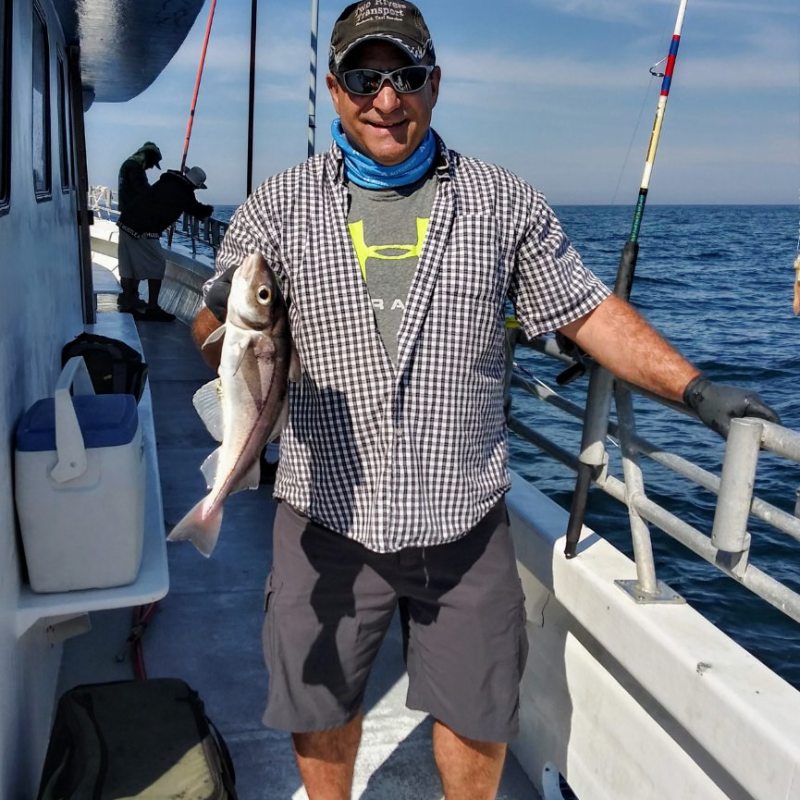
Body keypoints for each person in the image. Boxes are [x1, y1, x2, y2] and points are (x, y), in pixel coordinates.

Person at [194, 2, 780, 797]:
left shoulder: (502, 201)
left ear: (434, 84)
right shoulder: (277, 205)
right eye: (363, 79)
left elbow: (586, 310)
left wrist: (697, 389)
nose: (385, 99)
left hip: (462, 520)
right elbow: (212, 332)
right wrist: (223, 312)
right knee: (319, 704)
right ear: (334, 89)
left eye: (405, 77)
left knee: (478, 719)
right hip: (324, 512)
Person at [117, 166, 214, 321]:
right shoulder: (184, 192)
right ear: (196, 185)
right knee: (158, 264)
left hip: (126, 222)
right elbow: (198, 210)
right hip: (142, 229)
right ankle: (152, 307)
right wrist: (209, 210)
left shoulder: (168, 181)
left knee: (129, 266)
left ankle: (127, 303)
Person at [118, 141, 162, 213]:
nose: (151, 167)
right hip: (133, 212)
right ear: (148, 157)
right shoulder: (134, 167)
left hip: (127, 211)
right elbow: (143, 190)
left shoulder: (129, 164)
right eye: (152, 163)